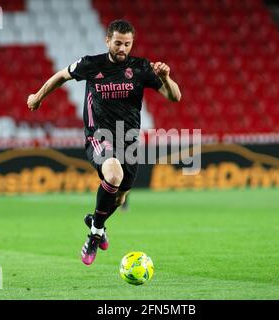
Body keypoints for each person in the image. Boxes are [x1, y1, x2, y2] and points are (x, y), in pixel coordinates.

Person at [27, 20, 181, 266]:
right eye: (118, 43)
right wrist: (38, 96)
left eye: (127, 44)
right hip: (98, 136)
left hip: (129, 140)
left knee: (119, 199)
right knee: (113, 173)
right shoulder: (91, 64)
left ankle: (96, 222)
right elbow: (61, 76)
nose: (122, 48)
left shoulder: (140, 67)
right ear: (107, 40)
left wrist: (165, 78)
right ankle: (95, 234)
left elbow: (175, 97)